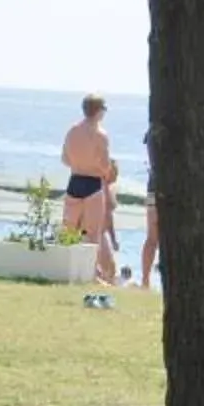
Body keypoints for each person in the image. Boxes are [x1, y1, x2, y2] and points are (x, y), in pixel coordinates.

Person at [60, 95, 118, 283]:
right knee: (93, 233)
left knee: (69, 228)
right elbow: (104, 165)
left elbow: (65, 159)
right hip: (93, 183)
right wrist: (108, 171)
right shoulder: (100, 134)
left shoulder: (72, 131)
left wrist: (80, 162)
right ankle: (91, 273)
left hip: (75, 179)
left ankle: (65, 267)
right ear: (99, 110)